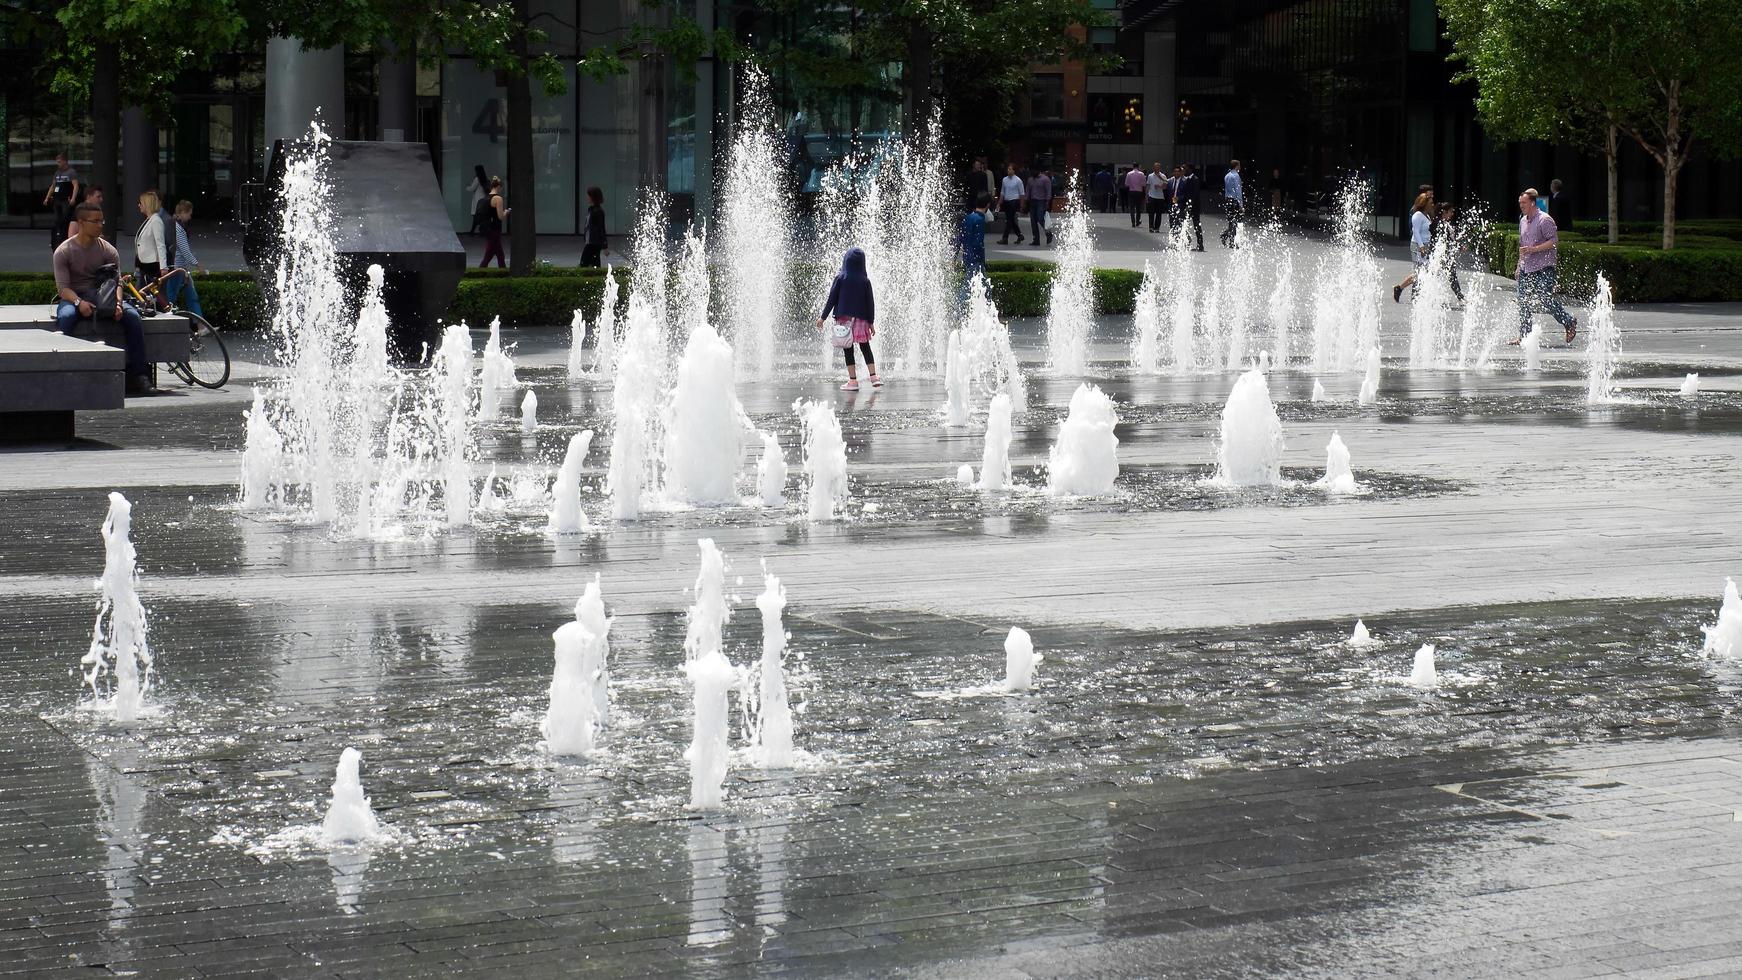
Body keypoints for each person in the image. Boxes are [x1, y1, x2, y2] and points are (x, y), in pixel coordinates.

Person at [54, 202, 154, 395]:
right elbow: (63, 289)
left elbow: (116, 282)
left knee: (132, 317)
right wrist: (79, 303)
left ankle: (140, 375)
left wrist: (117, 304)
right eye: (96, 221)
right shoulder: (64, 251)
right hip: (75, 296)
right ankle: (61, 375)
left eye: (102, 220)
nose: (101, 225)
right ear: (81, 222)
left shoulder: (108, 250)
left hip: (105, 296)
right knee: (66, 317)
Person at [1512, 186, 1578, 344]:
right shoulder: (1522, 220)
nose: (1521, 205)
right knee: (1523, 300)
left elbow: (1554, 242)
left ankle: (1569, 321)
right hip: (1526, 267)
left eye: (1524, 202)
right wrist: (1518, 265)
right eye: (1520, 202)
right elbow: (1522, 244)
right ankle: (1525, 335)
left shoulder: (1545, 219)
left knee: (1544, 297)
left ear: (1533, 203)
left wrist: (1534, 249)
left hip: (1544, 267)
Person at [816, 246, 881, 391]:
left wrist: (823, 317)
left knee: (848, 348)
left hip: (844, 318)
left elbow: (831, 299)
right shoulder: (865, 281)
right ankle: (874, 377)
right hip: (861, 319)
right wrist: (871, 322)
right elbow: (870, 303)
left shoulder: (841, 278)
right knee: (865, 347)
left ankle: (853, 381)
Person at [164, 200, 206, 318]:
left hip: (179, 268)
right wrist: (197, 265)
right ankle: (168, 323)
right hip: (177, 268)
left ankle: (200, 325)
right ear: (183, 212)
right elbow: (184, 250)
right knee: (172, 298)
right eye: (189, 214)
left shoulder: (174, 224)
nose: (190, 217)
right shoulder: (178, 228)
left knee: (190, 296)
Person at [1392, 190, 1435, 302]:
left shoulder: (1427, 216)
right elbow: (1415, 231)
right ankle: (1407, 291)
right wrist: (1421, 247)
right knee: (1420, 272)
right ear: (1424, 203)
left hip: (1425, 245)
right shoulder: (1418, 215)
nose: (1432, 204)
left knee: (1421, 271)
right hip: (1417, 246)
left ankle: (1403, 290)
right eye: (1430, 203)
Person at [44, 152, 81, 250]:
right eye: (57, 162)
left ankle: (65, 237)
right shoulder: (57, 173)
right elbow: (53, 186)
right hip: (57, 199)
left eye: (59, 162)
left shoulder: (71, 172)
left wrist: (73, 198)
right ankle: (56, 238)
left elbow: (75, 185)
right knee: (56, 220)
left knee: (65, 219)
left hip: (66, 199)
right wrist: (47, 197)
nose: (58, 164)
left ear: (65, 161)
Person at [133, 190, 169, 288]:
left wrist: (163, 267)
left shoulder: (156, 221)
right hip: (144, 265)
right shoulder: (150, 220)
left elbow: (160, 244)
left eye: (141, 203)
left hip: (151, 267)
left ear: (147, 204)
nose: (139, 205)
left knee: (148, 295)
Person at [959, 192, 990, 285]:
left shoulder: (968, 217)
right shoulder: (980, 220)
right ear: (988, 205)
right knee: (976, 286)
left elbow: (960, 237)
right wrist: (980, 259)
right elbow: (978, 242)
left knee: (974, 284)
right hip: (976, 258)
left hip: (967, 255)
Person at [480, 176, 508, 268]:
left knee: (498, 254)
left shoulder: (486, 198)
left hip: (487, 228)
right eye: (501, 188)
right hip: (495, 229)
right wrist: (506, 212)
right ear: (498, 187)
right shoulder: (498, 199)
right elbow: (500, 216)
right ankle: (481, 271)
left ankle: (503, 273)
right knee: (490, 255)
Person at [998, 164, 1026, 245]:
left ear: (1014, 171)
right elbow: (1002, 191)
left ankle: (1005, 238)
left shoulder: (1018, 180)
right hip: (1007, 201)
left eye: (1010, 169)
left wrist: (1021, 205)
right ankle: (1020, 235)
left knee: (1009, 220)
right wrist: (1000, 202)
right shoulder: (1004, 180)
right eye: (1008, 169)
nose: (1008, 171)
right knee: (1011, 220)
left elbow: (1022, 193)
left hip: (1014, 201)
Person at [1220, 159, 1245, 248]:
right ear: (1236, 166)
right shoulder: (1236, 176)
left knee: (1231, 221)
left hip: (1228, 199)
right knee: (1236, 221)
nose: (1240, 167)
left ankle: (1228, 237)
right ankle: (1231, 240)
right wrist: (1241, 204)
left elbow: (1226, 190)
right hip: (1234, 200)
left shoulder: (1227, 176)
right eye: (1239, 165)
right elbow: (1238, 191)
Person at [581, 186, 608, 267]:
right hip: (590, 241)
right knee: (593, 262)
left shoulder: (598, 212)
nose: (587, 198)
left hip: (594, 242)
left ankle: (595, 277)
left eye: (589, 196)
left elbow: (601, 229)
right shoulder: (591, 210)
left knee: (585, 262)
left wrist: (605, 246)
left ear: (593, 197)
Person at [1027, 167, 1054, 246]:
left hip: (1041, 201)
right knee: (1033, 221)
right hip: (1032, 201)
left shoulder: (1045, 179)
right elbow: (1028, 190)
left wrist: (1047, 202)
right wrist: (1026, 201)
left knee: (1040, 218)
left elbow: (1048, 191)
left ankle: (1048, 233)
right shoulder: (1030, 180)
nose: (1033, 172)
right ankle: (1036, 239)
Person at [1181, 164, 1205, 251]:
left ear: (1190, 169)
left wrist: (1189, 205)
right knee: (1184, 223)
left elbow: (1194, 194)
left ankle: (1200, 244)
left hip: (1194, 206)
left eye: (1185, 168)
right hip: (1190, 205)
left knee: (1196, 225)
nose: (1184, 169)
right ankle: (1188, 239)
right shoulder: (1188, 179)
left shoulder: (1194, 179)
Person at [466, 165, 490, 235]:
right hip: (484, 199)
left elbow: (472, 188)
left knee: (476, 217)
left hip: (478, 200)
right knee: (482, 217)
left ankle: (472, 232)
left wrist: (466, 187)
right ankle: (480, 231)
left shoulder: (477, 179)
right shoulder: (486, 179)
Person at [1124, 163, 1146, 228]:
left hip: (1132, 192)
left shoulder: (1129, 174)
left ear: (1133, 167)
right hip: (1139, 192)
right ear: (1138, 166)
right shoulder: (1141, 174)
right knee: (1138, 208)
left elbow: (1126, 184)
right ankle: (1137, 221)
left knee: (1132, 208)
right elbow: (1144, 184)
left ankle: (1133, 222)